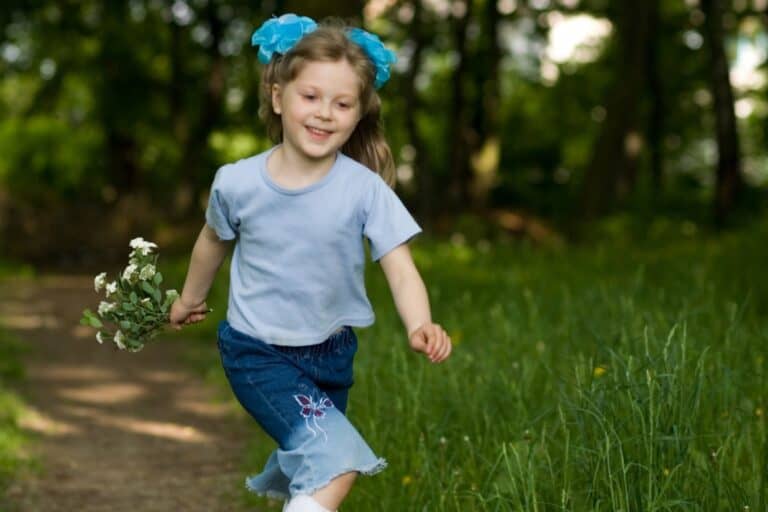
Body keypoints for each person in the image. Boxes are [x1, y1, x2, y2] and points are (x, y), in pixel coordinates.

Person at [169, 13, 452, 512]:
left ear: (360, 113)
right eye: (310, 97)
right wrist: (189, 300)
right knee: (336, 466)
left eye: (342, 103)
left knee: (316, 479)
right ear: (278, 96)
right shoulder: (238, 183)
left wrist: (420, 323)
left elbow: (400, 265)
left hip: (332, 357)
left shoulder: (364, 189)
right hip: (257, 353)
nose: (324, 113)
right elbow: (212, 242)